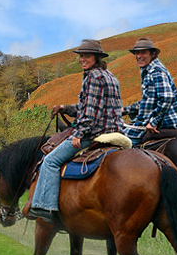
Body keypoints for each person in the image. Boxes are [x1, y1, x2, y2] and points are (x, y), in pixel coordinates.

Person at [27, 39, 123, 223]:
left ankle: (45, 208)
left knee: (50, 161)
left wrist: (79, 134)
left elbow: (90, 112)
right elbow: (90, 104)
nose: (82, 59)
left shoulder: (93, 77)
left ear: (96, 57)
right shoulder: (110, 76)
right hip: (116, 130)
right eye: (81, 56)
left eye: (86, 56)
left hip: (95, 132)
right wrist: (65, 108)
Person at [122, 37, 177, 147]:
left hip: (163, 124)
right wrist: (124, 110)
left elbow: (167, 98)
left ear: (153, 54)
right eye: (137, 53)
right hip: (155, 122)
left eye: (143, 52)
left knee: (120, 144)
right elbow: (148, 102)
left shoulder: (156, 71)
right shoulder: (149, 70)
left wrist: (154, 122)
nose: (139, 56)